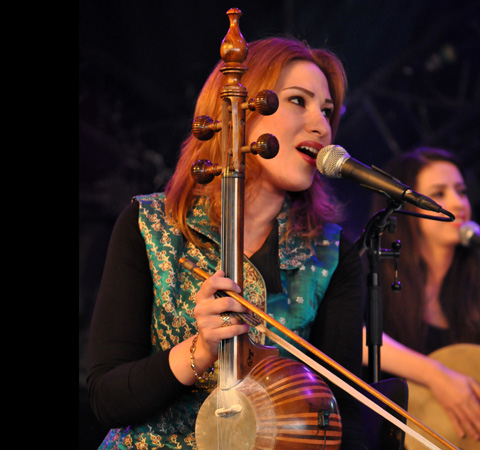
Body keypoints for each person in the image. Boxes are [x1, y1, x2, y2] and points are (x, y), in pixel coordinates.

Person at [87, 36, 370, 449]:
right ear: (237, 111)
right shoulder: (149, 225)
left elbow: (342, 418)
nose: (322, 126)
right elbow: (106, 397)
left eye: (327, 111)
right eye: (298, 101)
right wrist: (200, 351)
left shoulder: (331, 254)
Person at [361, 147, 480, 441]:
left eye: (461, 191)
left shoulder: (473, 278)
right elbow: (355, 335)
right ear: (404, 208)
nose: (458, 203)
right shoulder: (376, 265)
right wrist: (436, 375)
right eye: (439, 194)